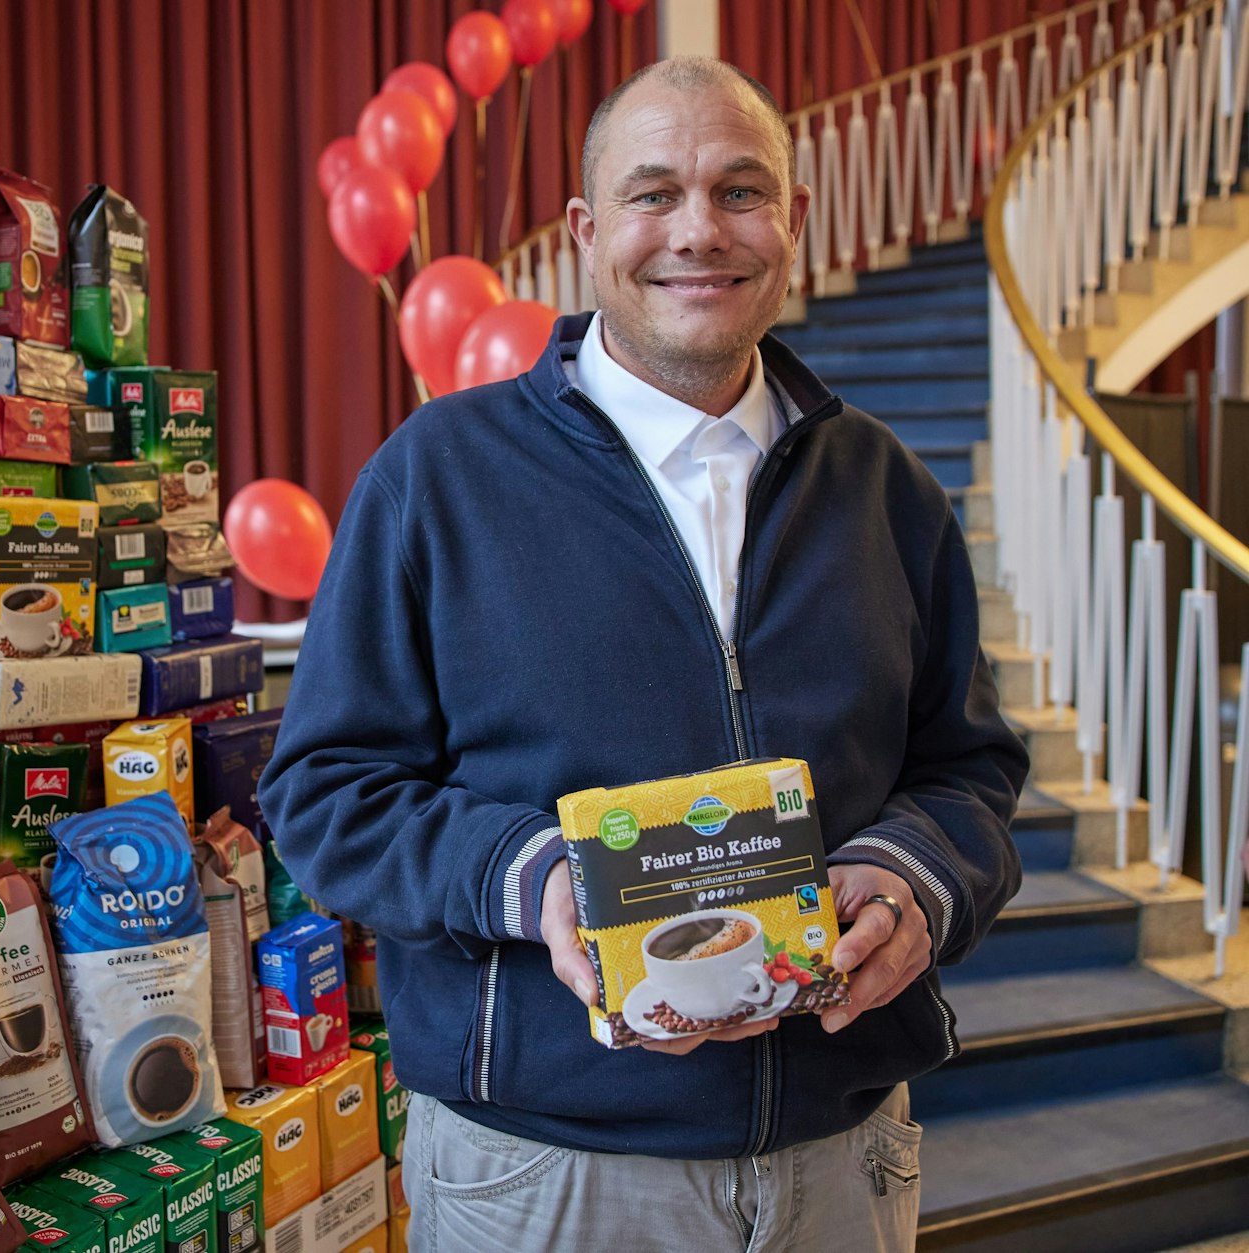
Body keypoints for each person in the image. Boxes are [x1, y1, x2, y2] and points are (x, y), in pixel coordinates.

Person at [258, 57, 1028, 1252]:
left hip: (840, 1155)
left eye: (738, 192)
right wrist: (538, 879)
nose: (696, 233)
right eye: (651, 193)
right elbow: (323, 795)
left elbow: (969, 771)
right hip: (544, 1176)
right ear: (584, 231)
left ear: (793, 222)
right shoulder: (434, 479)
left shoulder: (889, 490)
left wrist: (912, 876)